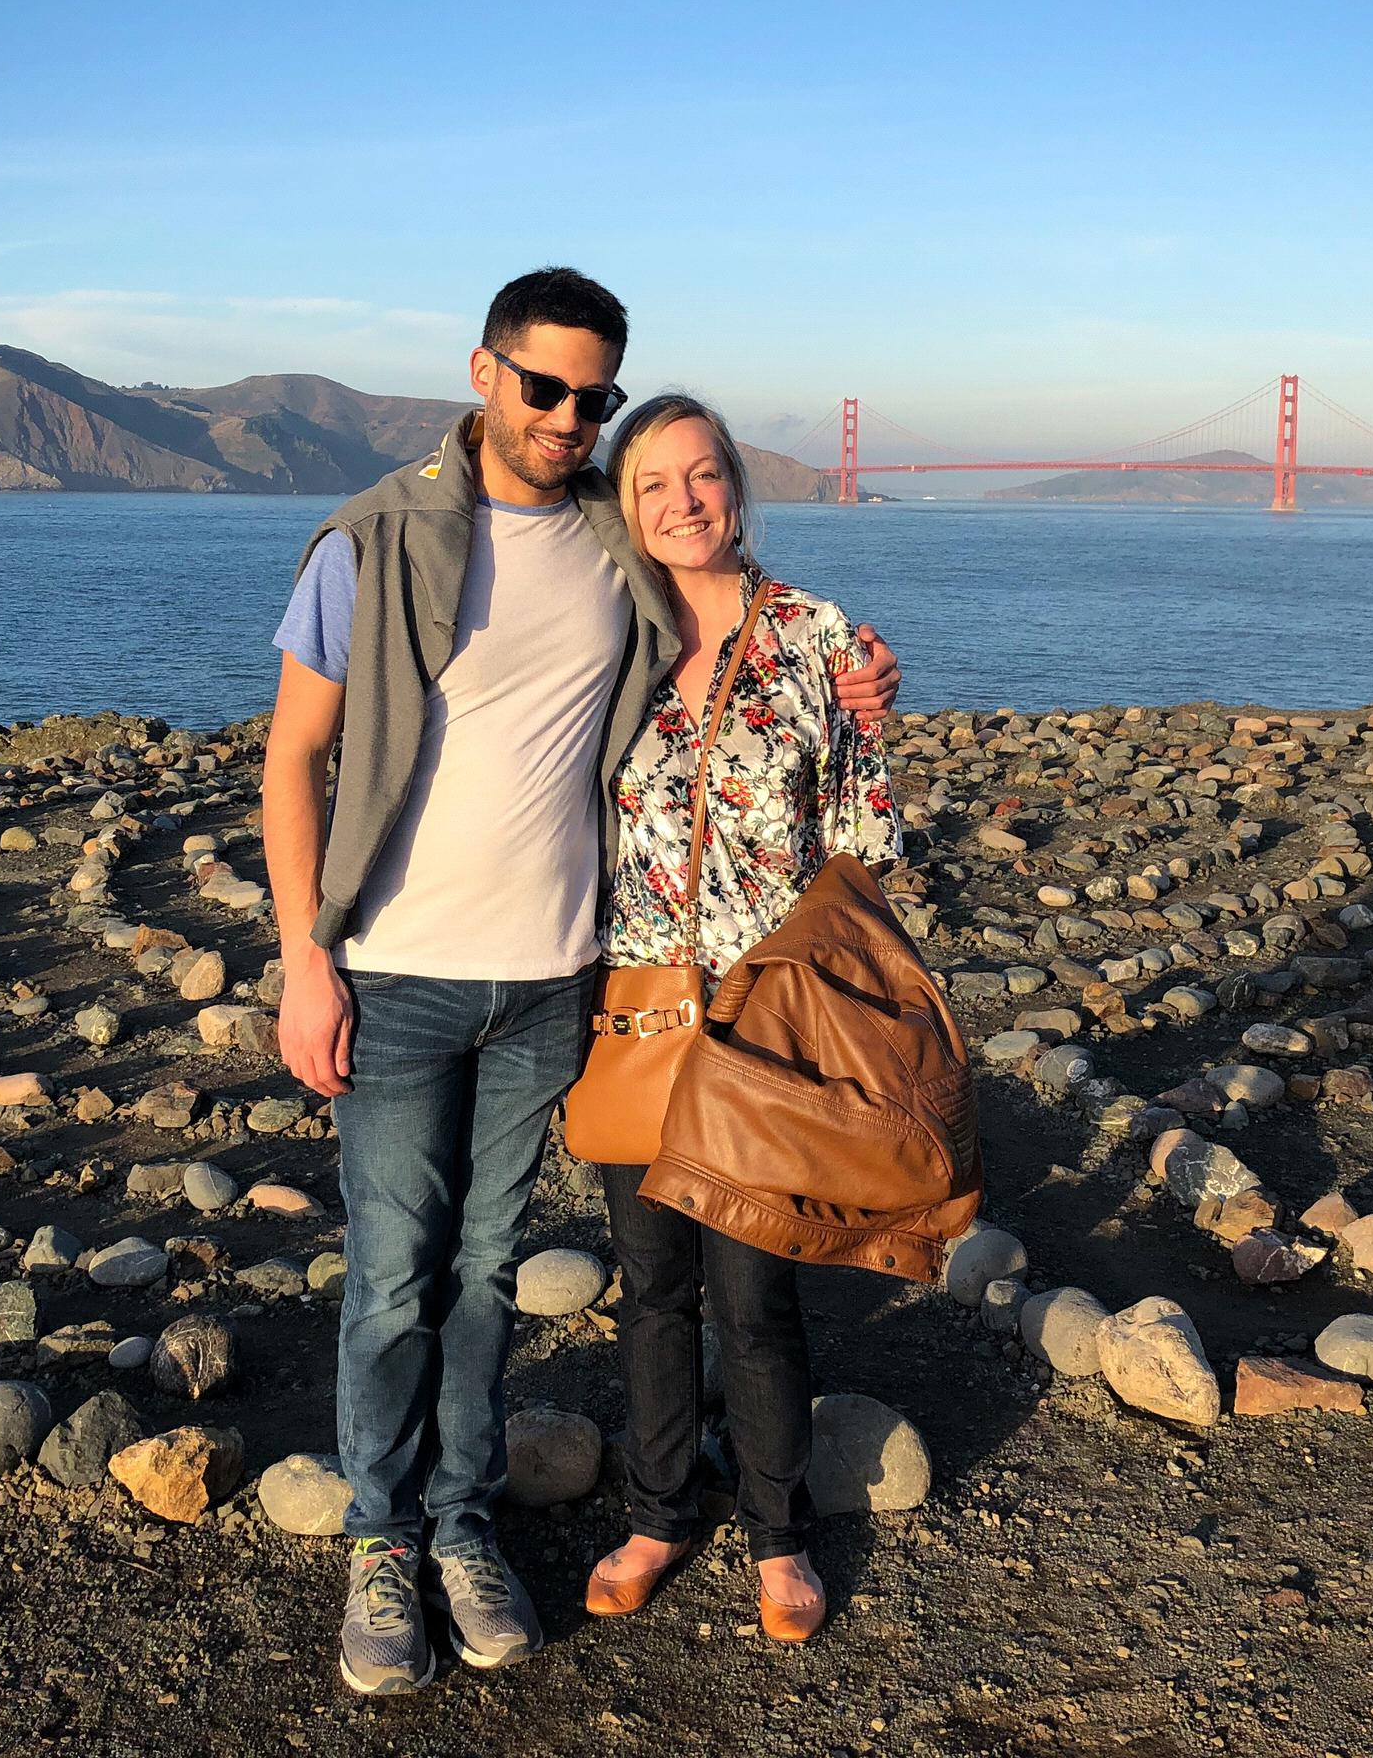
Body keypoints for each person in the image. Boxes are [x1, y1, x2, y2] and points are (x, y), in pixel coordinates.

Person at [260, 269, 901, 1695]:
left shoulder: (629, 550)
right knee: (391, 1280)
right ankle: (383, 1541)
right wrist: (304, 954)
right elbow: (290, 757)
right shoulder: (375, 541)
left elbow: (776, 684)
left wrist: (862, 677)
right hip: (413, 977)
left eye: (591, 398)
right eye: (542, 386)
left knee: (495, 1275)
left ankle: (469, 1524)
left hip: (564, 987)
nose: (566, 416)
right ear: (483, 374)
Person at [581, 394, 901, 1647]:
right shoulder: (605, 633)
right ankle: (657, 1510)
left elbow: (864, 836)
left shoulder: (818, 635)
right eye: (652, 483)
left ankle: (779, 1531)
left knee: (754, 1288)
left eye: (702, 474)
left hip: (770, 1015)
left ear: (736, 485)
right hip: (640, 1003)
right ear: (624, 508)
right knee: (652, 1284)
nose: (681, 502)